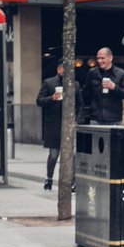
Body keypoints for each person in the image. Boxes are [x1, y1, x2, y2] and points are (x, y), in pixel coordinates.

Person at [35, 62, 81, 191]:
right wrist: (52, 98)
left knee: (72, 155)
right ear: (59, 69)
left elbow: (80, 104)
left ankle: (73, 182)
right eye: (64, 70)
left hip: (69, 125)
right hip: (53, 124)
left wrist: (76, 118)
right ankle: (49, 178)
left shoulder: (75, 85)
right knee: (54, 155)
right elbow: (39, 101)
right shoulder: (49, 83)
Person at [83, 47, 124, 124]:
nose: (99, 61)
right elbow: (85, 93)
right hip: (96, 117)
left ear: (110, 58)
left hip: (114, 118)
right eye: (98, 58)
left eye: (102, 58)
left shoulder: (121, 73)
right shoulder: (92, 73)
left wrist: (114, 87)